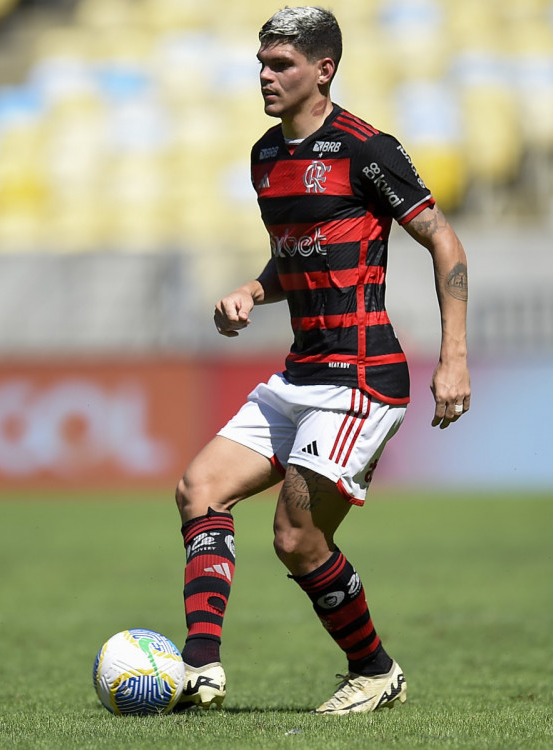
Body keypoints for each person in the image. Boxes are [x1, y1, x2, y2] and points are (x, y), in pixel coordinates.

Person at [173, 6, 470, 715]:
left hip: (362, 379)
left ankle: (373, 670)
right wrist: (252, 288)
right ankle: (199, 669)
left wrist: (453, 357)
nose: (266, 77)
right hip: (300, 373)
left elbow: (445, 241)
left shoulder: (367, 150)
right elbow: (298, 256)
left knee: (296, 538)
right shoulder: (266, 157)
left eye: (282, 65)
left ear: (323, 69)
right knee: (199, 487)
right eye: (263, 64)